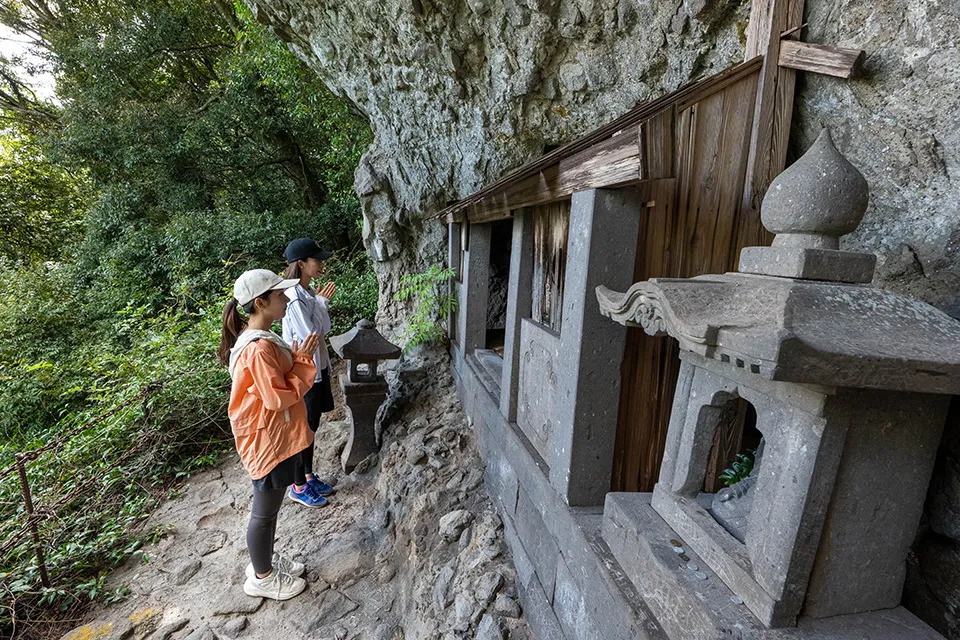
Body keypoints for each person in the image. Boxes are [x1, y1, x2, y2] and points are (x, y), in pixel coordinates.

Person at [217, 268, 320, 601]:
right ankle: (261, 576)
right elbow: (277, 397)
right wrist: (303, 361)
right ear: (260, 303)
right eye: (279, 295)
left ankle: (265, 564)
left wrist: (295, 357)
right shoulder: (259, 348)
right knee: (264, 512)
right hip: (267, 440)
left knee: (269, 509)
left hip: (270, 436)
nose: (286, 299)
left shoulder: (260, 339)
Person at [281, 238, 338, 508]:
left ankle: (307, 474)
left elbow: (323, 327)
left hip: (316, 367)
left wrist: (320, 302)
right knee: (302, 429)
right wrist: (321, 304)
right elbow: (310, 336)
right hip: (305, 373)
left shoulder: (308, 292)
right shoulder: (293, 299)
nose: (321, 264)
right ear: (301, 264)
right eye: (317, 260)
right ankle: (298, 486)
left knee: (311, 426)